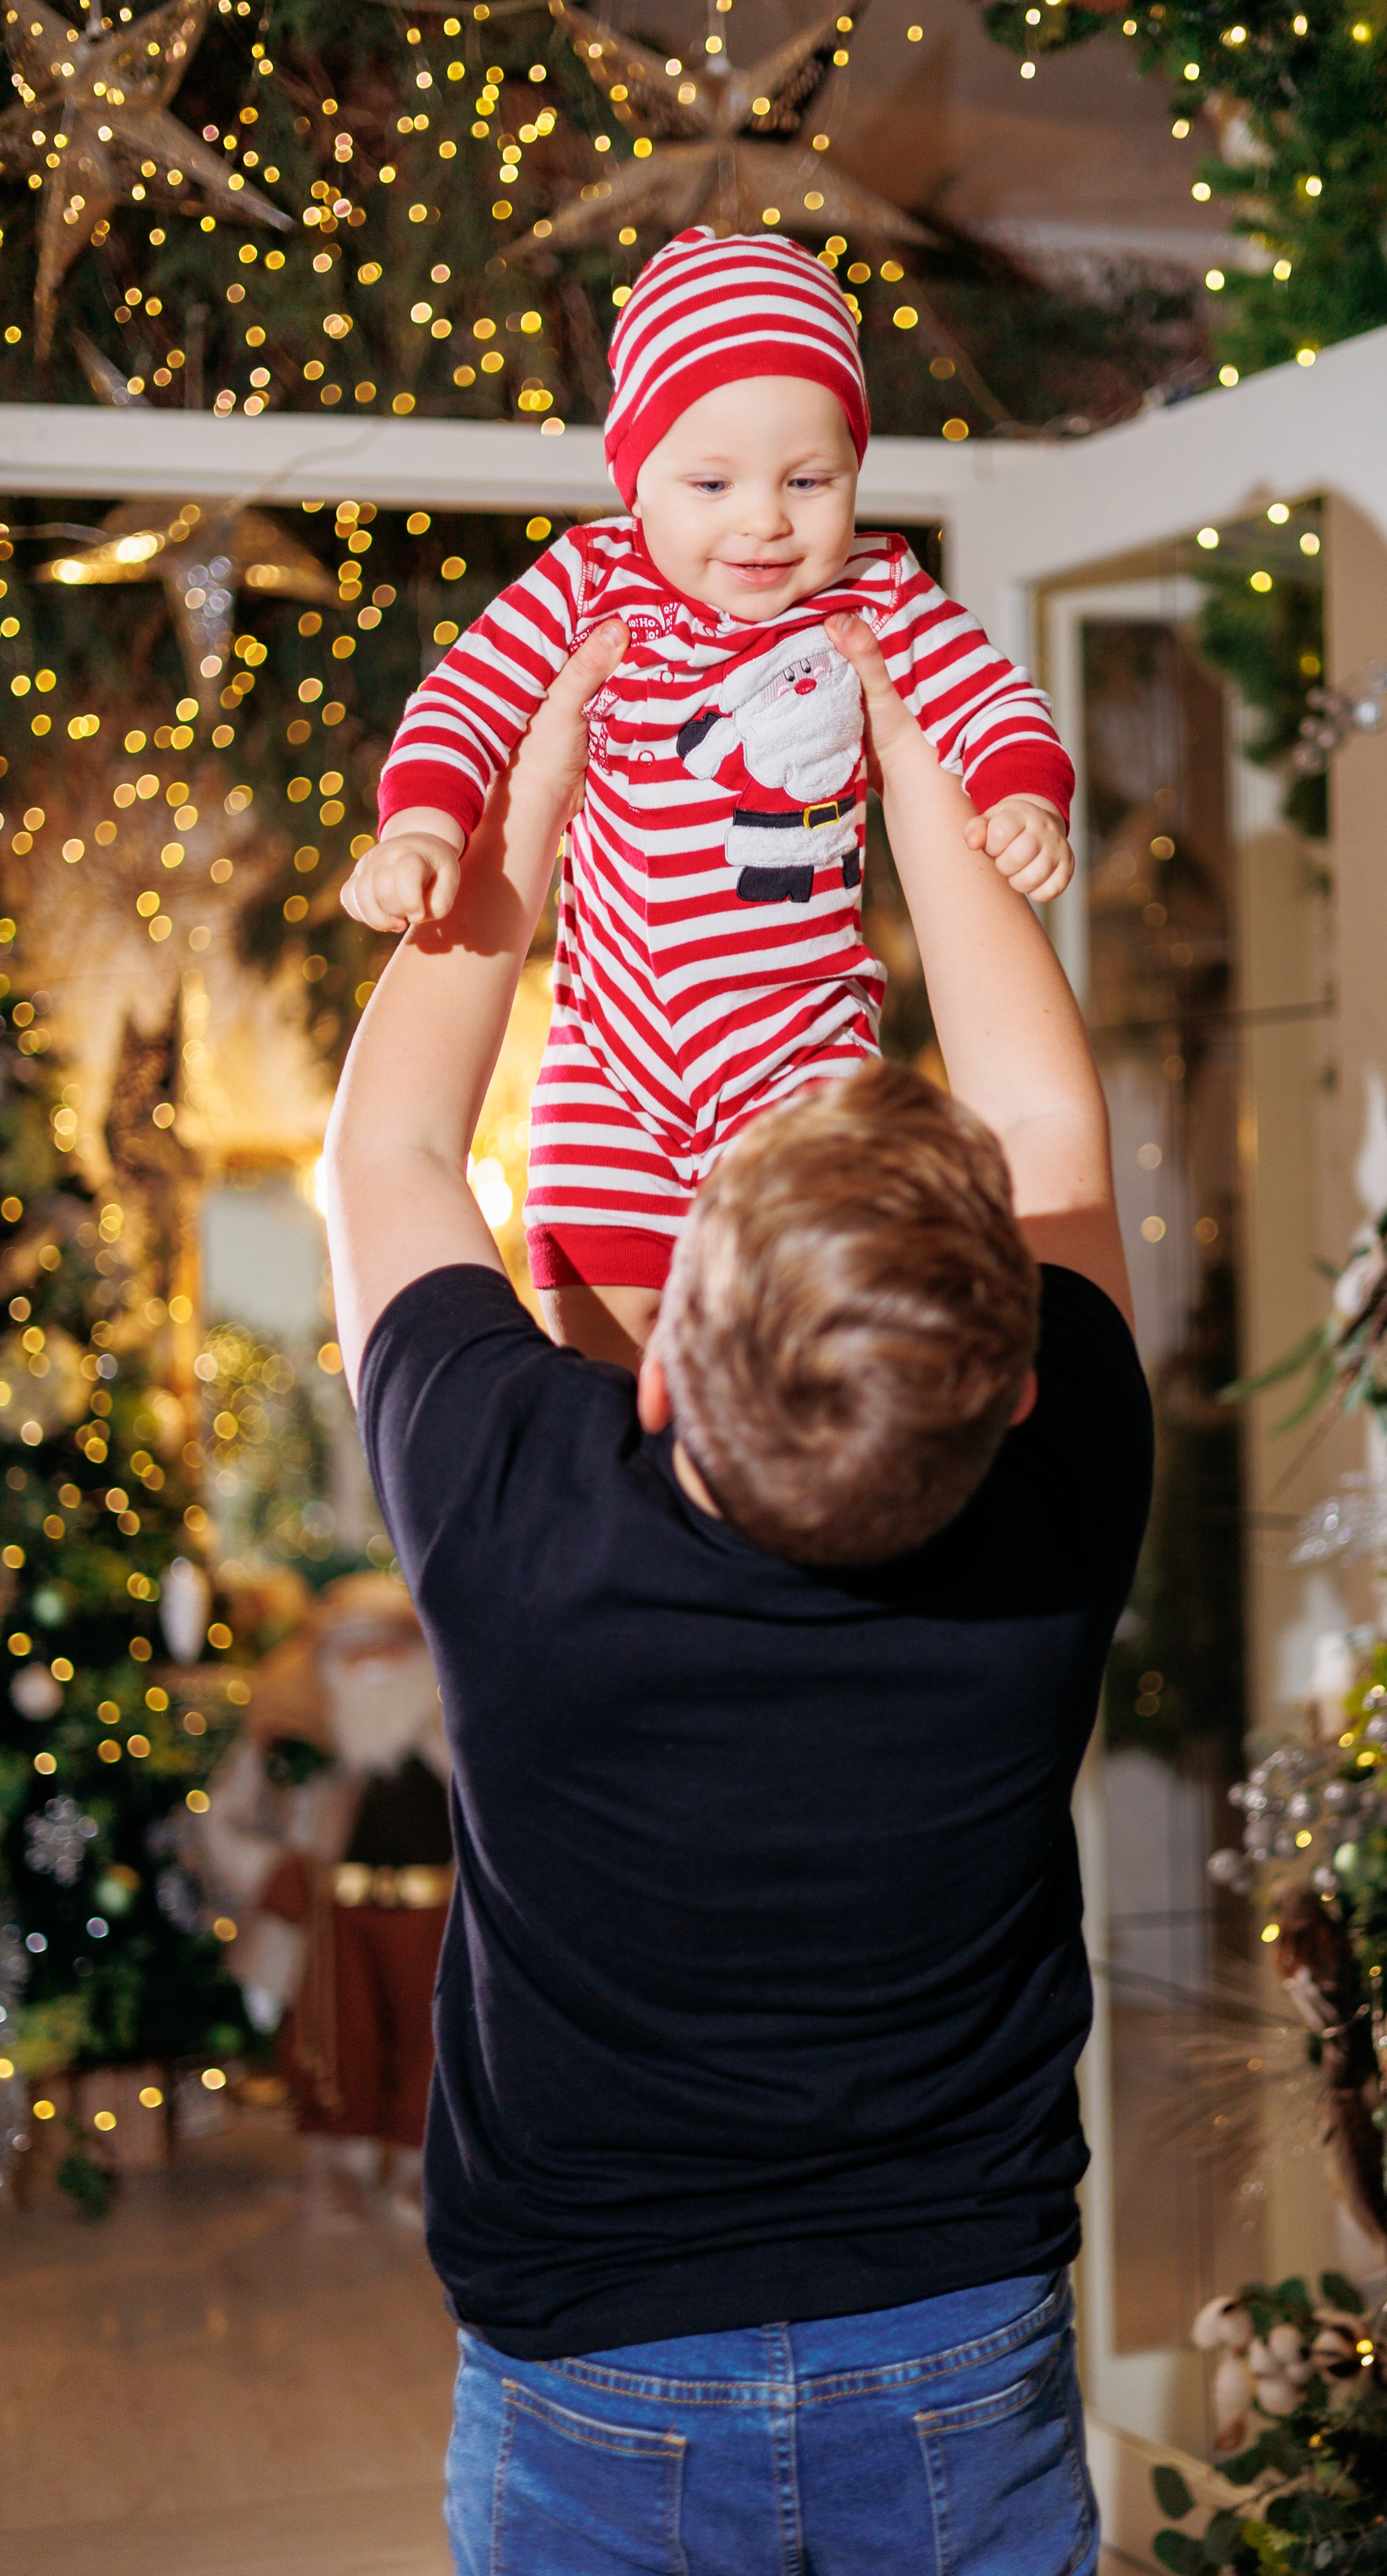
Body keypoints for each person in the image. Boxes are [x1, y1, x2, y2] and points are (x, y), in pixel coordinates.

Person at [323, 608, 1152, 2570]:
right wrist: (906, 717)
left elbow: (395, 1141)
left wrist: (526, 774)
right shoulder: (1053, 1508)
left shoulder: (516, 1513)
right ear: (1018, 1382)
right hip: (961, 2337)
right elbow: (1049, 1121)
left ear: (664, 1371)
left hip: (593, 2371)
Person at [340, 225, 1075, 1366]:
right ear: (638, 478)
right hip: (614, 1057)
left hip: (802, 1054)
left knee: (804, 1335)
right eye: (712, 482)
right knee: (599, 1330)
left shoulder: (879, 594)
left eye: (808, 481)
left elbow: (993, 701)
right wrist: (427, 821)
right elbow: (467, 700)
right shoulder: (593, 579)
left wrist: (1023, 796)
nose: (765, 520)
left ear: (854, 473)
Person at [195, 1570, 451, 2224]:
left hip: (441, 1917)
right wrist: (270, 1871)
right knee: (336, 2043)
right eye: (353, 1646)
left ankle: (432, 2173)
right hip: (336, 1921)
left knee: (444, 2043)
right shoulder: (295, 1726)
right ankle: (341, 2169)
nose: (371, 1662)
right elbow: (221, 1817)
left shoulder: (455, 1730)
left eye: (389, 1644)